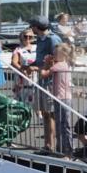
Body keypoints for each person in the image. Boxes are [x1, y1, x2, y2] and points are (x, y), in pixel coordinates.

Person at [30, 17, 63, 152]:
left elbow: (58, 60)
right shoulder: (40, 39)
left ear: (36, 27)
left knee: (51, 114)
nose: (31, 28)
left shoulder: (52, 39)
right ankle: (48, 145)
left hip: (50, 81)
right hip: (42, 80)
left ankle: (54, 146)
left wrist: (39, 68)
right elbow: (40, 60)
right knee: (45, 113)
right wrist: (29, 66)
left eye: (32, 26)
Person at [39, 43, 74, 158]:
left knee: (63, 125)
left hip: (61, 98)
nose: (53, 54)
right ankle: (63, 150)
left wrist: (46, 63)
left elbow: (43, 74)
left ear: (63, 54)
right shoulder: (66, 64)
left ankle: (66, 151)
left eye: (55, 53)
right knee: (63, 125)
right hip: (64, 98)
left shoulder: (58, 65)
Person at [10, 28, 37, 108]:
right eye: (25, 36)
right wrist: (22, 70)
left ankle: (40, 118)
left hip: (35, 77)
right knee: (22, 103)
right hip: (22, 78)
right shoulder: (18, 49)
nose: (28, 38)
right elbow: (14, 62)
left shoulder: (36, 47)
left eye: (30, 37)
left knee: (36, 102)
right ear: (22, 37)